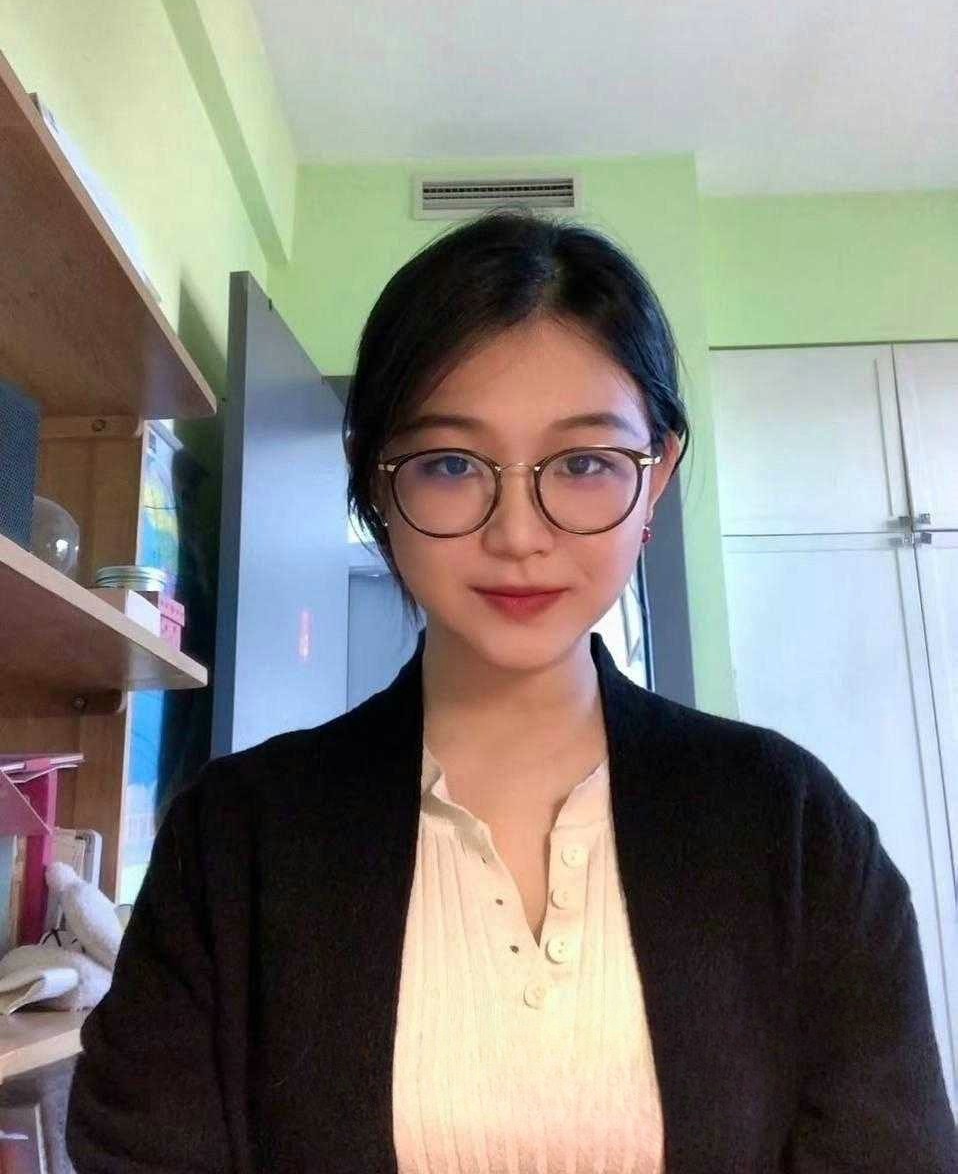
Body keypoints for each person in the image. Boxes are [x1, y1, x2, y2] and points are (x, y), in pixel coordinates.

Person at [66, 211, 957, 1172]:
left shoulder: (792, 825)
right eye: (452, 465)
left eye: (584, 464)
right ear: (376, 478)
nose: (519, 534)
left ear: (657, 477)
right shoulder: (234, 838)